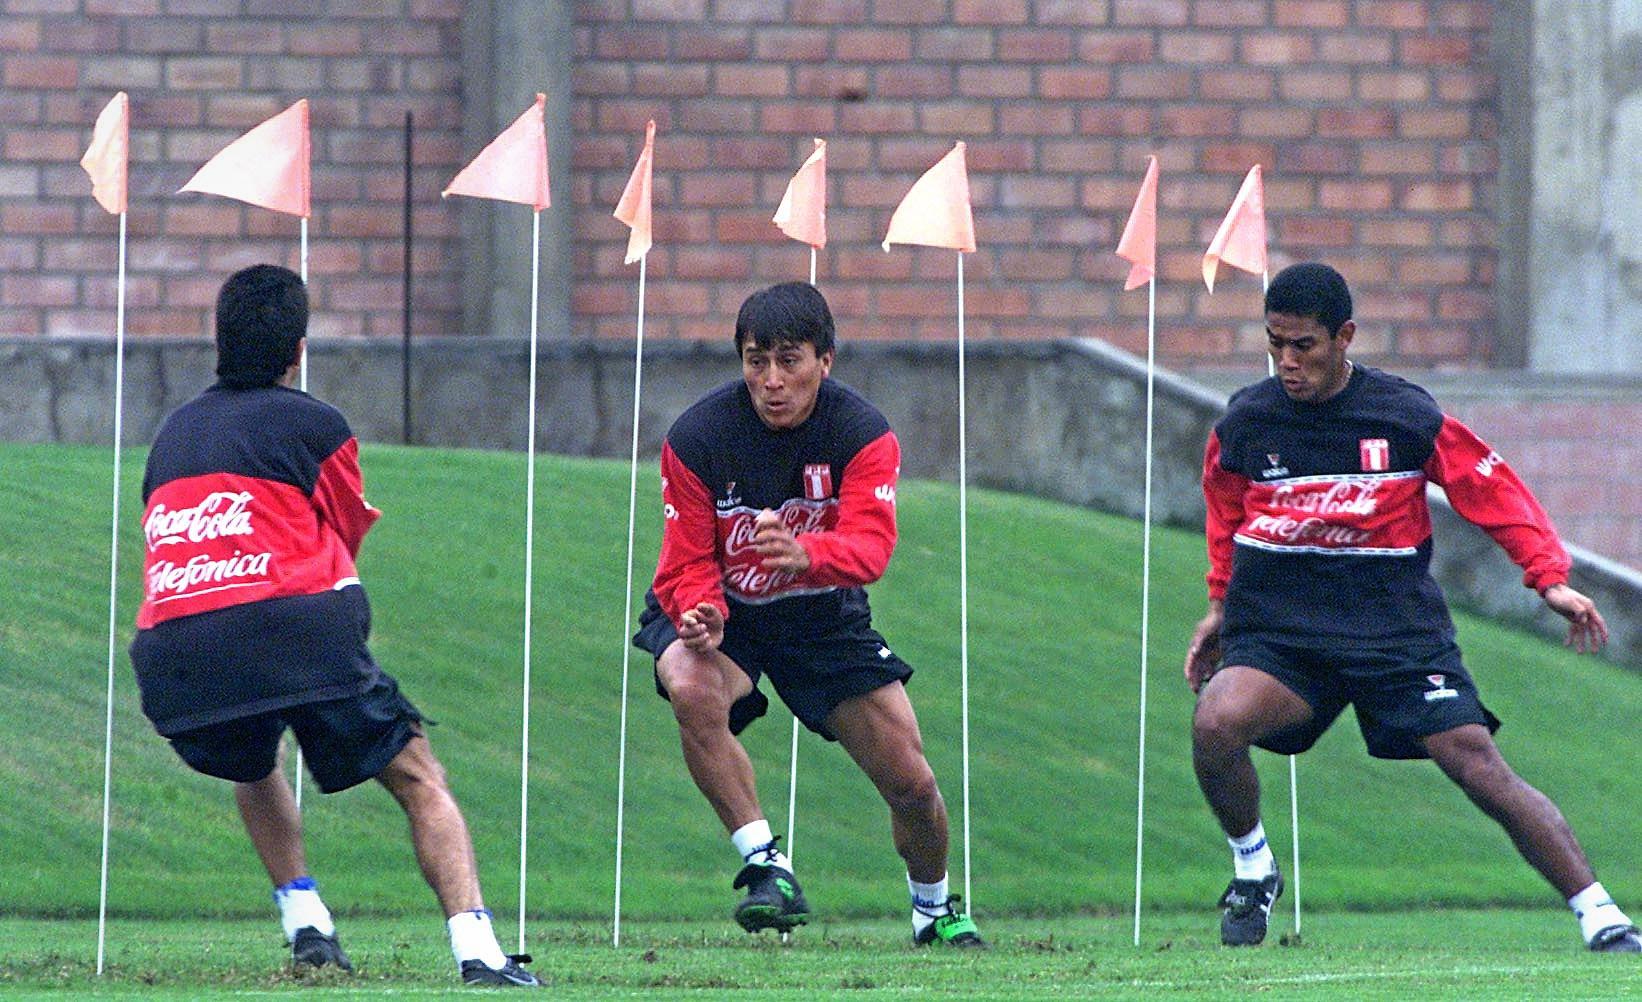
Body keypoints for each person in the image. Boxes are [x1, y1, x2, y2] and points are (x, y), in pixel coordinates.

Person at [1184, 261, 1639, 952]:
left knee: (1476, 764)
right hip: (1285, 637)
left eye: (1302, 345)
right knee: (1216, 721)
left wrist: (1547, 577)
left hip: (1396, 636)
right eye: (1273, 344)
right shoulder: (1247, 421)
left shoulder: (1404, 414)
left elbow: (1492, 489)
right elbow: (1226, 512)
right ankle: (1254, 868)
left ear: (1344, 337)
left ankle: (1600, 914)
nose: (1286, 362)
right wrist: (1220, 605)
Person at [129, 265, 540, 987]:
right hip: (300, 636)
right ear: (298, 349)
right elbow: (344, 530)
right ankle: (480, 954)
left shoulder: (172, 435)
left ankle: (308, 926)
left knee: (251, 759)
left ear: (219, 339)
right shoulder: (317, 424)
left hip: (175, 656)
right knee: (417, 775)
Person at [632, 281, 983, 947]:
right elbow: (684, 560)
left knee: (913, 784)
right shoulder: (698, 437)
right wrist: (698, 612)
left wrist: (807, 554)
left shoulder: (862, 432)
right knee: (686, 677)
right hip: (730, 611)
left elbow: (872, 547)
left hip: (822, 616)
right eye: (755, 361)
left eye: (789, 360)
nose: (771, 380)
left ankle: (934, 912)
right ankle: (767, 865)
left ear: (826, 361)